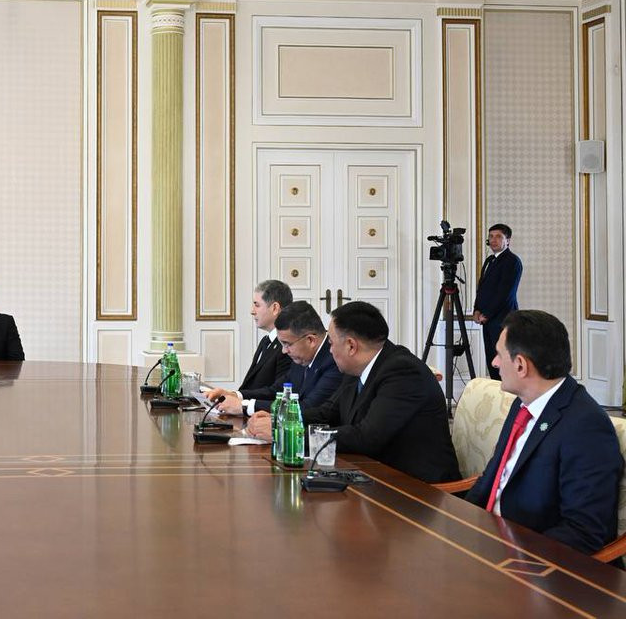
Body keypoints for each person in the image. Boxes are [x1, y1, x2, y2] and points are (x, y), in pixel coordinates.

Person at [246, 301, 460, 484]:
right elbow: (327, 413)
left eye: (331, 343)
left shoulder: (402, 372)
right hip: (374, 476)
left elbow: (367, 437)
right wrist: (281, 419)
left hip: (417, 490)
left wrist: (288, 433)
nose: (329, 350)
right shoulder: (355, 368)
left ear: (351, 346)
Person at [466, 310, 621, 555]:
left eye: (499, 354)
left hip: (532, 561)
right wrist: (458, 524)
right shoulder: (523, 403)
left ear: (520, 365)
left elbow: (584, 531)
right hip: (489, 539)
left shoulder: (586, 426)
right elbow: (493, 477)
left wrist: (514, 554)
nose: (495, 363)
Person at [209, 300, 342, 416]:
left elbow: (307, 408)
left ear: (310, 340)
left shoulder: (335, 361)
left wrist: (244, 406)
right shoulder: (301, 356)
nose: (284, 351)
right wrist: (235, 395)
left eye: (287, 344)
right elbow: (276, 391)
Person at [472, 223, 522, 380]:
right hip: (487, 320)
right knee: (491, 360)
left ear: (508, 240)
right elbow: (482, 289)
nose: (493, 240)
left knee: (504, 362)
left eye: (498, 236)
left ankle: (506, 394)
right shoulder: (489, 260)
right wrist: (476, 309)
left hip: (503, 320)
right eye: (491, 236)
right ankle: (495, 392)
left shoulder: (512, 261)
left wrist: (487, 314)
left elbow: (505, 294)